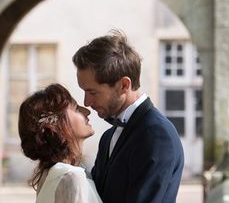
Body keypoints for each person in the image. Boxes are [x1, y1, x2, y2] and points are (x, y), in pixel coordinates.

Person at [73, 30, 184, 203]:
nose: (86, 102)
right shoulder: (108, 136)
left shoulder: (157, 136)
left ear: (124, 85)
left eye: (92, 92)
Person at [18, 83, 103, 203]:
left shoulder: (48, 176)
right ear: (56, 124)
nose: (87, 112)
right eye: (76, 109)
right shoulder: (71, 177)